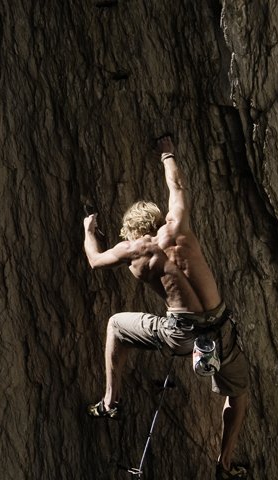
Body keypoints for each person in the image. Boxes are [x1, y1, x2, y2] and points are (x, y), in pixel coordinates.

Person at [81, 135, 250, 479]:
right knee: (238, 395)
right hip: (220, 329)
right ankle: (225, 465)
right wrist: (166, 152)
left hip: (181, 333)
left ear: (133, 232)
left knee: (115, 325)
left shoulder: (136, 249)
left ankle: (111, 403)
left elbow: (96, 261)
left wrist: (89, 231)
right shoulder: (179, 224)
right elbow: (177, 184)